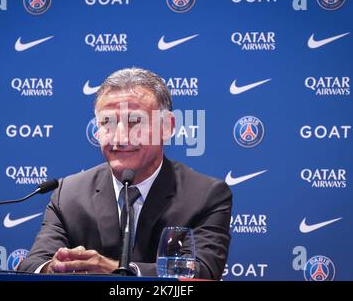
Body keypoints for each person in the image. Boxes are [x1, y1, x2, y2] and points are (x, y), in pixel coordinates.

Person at [18, 67, 232, 279]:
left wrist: (115, 270)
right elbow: (33, 265)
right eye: (107, 122)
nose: (119, 138)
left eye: (135, 122)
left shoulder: (206, 195)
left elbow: (203, 271)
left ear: (167, 127)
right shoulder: (69, 194)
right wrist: (52, 268)